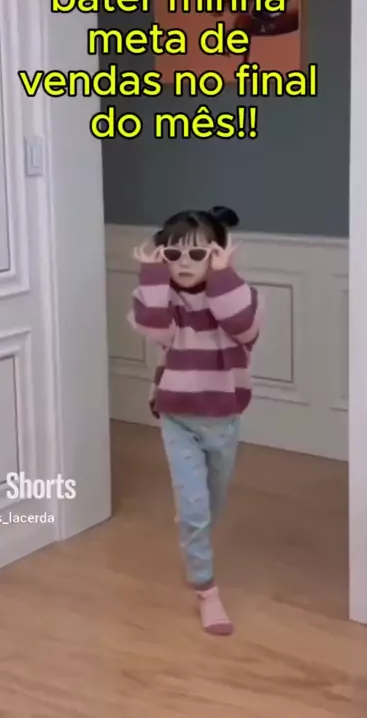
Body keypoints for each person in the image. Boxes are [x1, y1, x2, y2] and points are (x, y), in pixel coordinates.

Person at [128, 206, 262, 635]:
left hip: (223, 419)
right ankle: (206, 589)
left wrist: (224, 276)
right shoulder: (164, 301)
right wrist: (152, 276)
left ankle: (194, 528)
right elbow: (154, 327)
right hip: (177, 417)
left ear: (218, 254)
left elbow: (242, 326)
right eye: (173, 254)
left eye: (197, 253)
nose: (184, 262)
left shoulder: (240, 295)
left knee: (212, 504)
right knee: (195, 509)